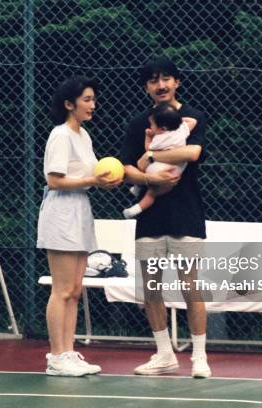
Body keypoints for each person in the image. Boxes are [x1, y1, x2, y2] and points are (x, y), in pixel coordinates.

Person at [120, 56, 211, 378]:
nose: (160, 85)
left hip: (186, 215)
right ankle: (163, 354)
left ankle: (199, 357)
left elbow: (193, 153)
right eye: (153, 81)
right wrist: (149, 179)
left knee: (191, 287)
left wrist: (151, 156)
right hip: (151, 220)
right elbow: (126, 170)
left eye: (166, 79)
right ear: (146, 87)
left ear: (177, 82)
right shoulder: (137, 124)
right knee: (152, 289)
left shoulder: (194, 117)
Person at [37, 76, 121, 376]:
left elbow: (94, 173)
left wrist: (107, 181)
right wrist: (93, 181)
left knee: (74, 289)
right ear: (69, 104)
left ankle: (68, 352)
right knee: (61, 290)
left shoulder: (83, 136)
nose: (92, 105)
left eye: (93, 100)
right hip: (60, 214)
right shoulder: (60, 135)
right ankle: (55, 356)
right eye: (87, 99)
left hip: (81, 213)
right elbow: (54, 179)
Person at [123, 102, 196, 219]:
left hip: (160, 173)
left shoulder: (160, 139)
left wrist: (148, 136)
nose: (150, 127)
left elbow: (149, 150)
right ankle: (136, 199)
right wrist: (177, 120)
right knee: (152, 194)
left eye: (152, 125)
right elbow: (193, 121)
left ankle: (136, 203)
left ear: (162, 128)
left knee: (150, 190)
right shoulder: (182, 130)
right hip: (174, 172)